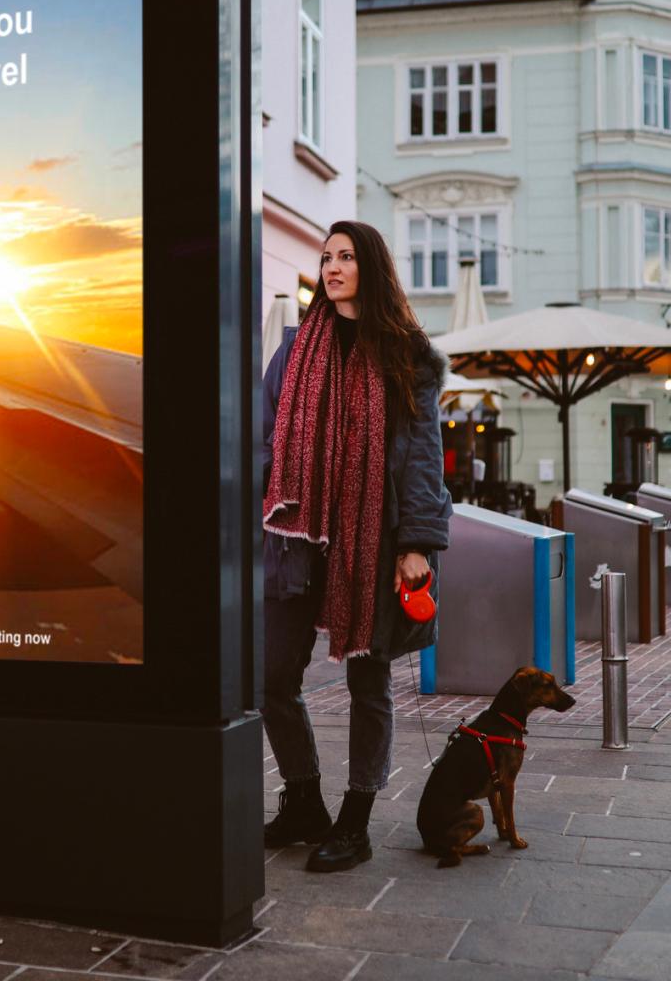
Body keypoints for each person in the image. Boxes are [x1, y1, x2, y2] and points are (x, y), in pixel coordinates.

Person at [261, 219, 452, 872]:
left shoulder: (406, 355)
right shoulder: (292, 352)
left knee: (368, 680)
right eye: (326, 257)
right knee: (272, 675)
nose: (333, 266)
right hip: (298, 538)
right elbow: (265, 441)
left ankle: (357, 817)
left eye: (345, 256)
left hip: (372, 540)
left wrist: (419, 541)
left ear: (369, 266)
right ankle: (305, 800)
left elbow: (424, 457)